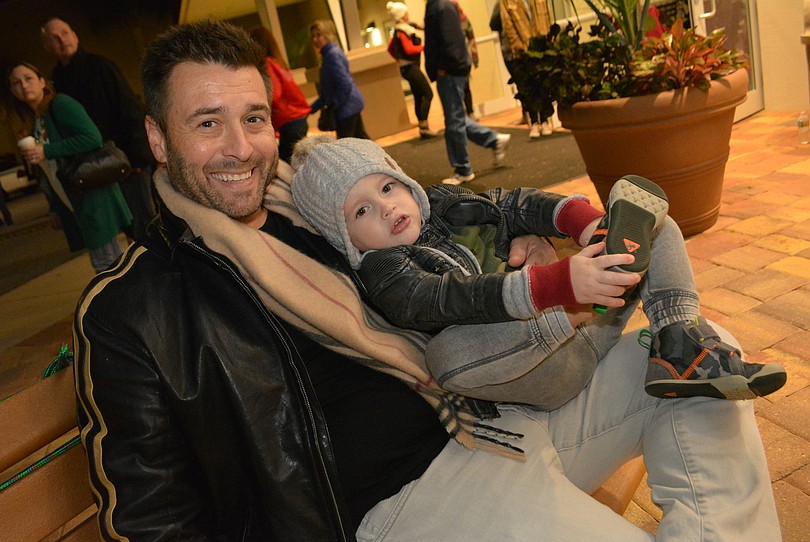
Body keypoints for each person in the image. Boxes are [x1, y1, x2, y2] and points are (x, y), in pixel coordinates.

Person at [74, 20, 783, 542]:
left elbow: (430, 267)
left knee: (702, 360)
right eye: (207, 123)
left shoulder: (315, 206)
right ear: (157, 138)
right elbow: (150, 521)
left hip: (488, 416)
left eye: (253, 118)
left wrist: (508, 256)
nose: (239, 147)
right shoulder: (134, 311)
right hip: (407, 501)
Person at [292, 135, 787, 408]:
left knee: (655, 227)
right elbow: (444, 300)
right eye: (359, 213)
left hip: (596, 315)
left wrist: (585, 224)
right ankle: (585, 305)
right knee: (447, 355)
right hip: (538, 367)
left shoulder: (442, 202)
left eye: (386, 188)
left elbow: (515, 202)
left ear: (403, 181)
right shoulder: (385, 273)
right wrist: (558, 287)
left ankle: (681, 344)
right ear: (346, 240)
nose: (384, 209)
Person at [8, 62, 132, 273]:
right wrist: (55, 208)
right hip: (75, 198)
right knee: (111, 262)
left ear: (41, 81)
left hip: (92, 193)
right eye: (16, 83)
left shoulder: (61, 104)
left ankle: (129, 304)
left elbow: (92, 138)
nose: (23, 85)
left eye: (28, 78)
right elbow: (50, 170)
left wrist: (45, 151)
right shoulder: (39, 119)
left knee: (106, 264)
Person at [41, 17, 156, 242]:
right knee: (129, 229)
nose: (62, 40)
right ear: (48, 48)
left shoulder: (100, 66)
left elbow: (128, 107)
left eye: (65, 33)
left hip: (126, 160)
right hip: (96, 168)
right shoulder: (57, 81)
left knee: (145, 224)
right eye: (54, 38)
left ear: (75, 35)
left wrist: (138, 158)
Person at [424, 0, 511, 185]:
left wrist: (444, 67)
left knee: (454, 121)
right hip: (450, 70)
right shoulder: (440, 5)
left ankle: (463, 169)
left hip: (450, 71)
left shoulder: (442, 6)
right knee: (457, 118)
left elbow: (450, 40)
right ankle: (494, 140)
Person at [490, 0, 554, 136]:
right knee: (528, 86)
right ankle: (534, 122)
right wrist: (518, 48)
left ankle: (545, 120)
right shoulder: (506, 2)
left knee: (542, 84)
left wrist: (549, 41)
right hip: (522, 49)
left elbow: (546, 16)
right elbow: (508, 26)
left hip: (540, 44)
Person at [249, 26, 312, 163]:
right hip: (297, 118)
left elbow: (274, 94)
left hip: (290, 121)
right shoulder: (278, 62)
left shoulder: (267, 64)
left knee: (286, 164)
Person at [308, 20, 370, 139]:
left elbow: (344, 85)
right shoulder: (331, 53)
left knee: (347, 148)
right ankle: (379, 157)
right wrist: (311, 108)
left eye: (318, 35)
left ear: (327, 35)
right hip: (351, 105)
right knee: (361, 141)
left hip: (346, 108)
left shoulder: (331, 55)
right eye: (313, 36)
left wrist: (333, 105)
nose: (315, 40)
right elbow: (330, 91)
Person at [386, 1, 437, 138]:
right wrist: (424, 47)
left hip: (406, 68)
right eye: (406, 13)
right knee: (428, 94)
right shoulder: (403, 31)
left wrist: (398, 59)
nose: (408, 15)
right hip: (410, 67)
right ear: (402, 15)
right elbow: (409, 49)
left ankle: (423, 128)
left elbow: (390, 48)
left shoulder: (400, 30)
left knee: (418, 96)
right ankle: (424, 125)